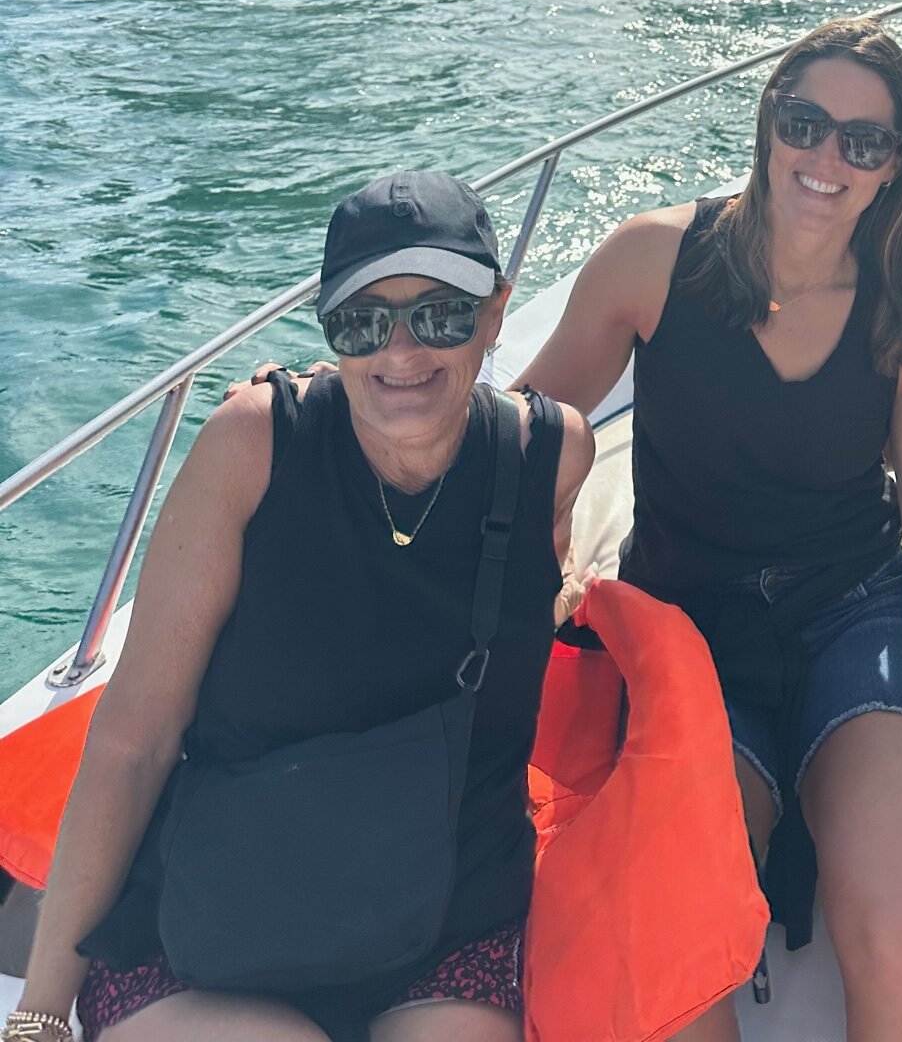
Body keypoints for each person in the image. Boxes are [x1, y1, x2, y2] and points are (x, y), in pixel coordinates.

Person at [520, 19, 902, 1042]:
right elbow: (526, 429)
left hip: (851, 618)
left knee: (898, 930)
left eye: (863, 143)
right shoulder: (653, 263)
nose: (827, 160)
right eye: (806, 124)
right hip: (686, 626)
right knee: (674, 941)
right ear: (768, 124)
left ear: (895, 164)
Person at [6, 171, 592, 1042]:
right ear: (329, 332)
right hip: (210, 916)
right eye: (363, 321)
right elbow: (134, 740)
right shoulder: (254, 446)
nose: (401, 352)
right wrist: (42, 1013)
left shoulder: (552, 454)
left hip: (446, 917)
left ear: (497, 312)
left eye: (440, 314)